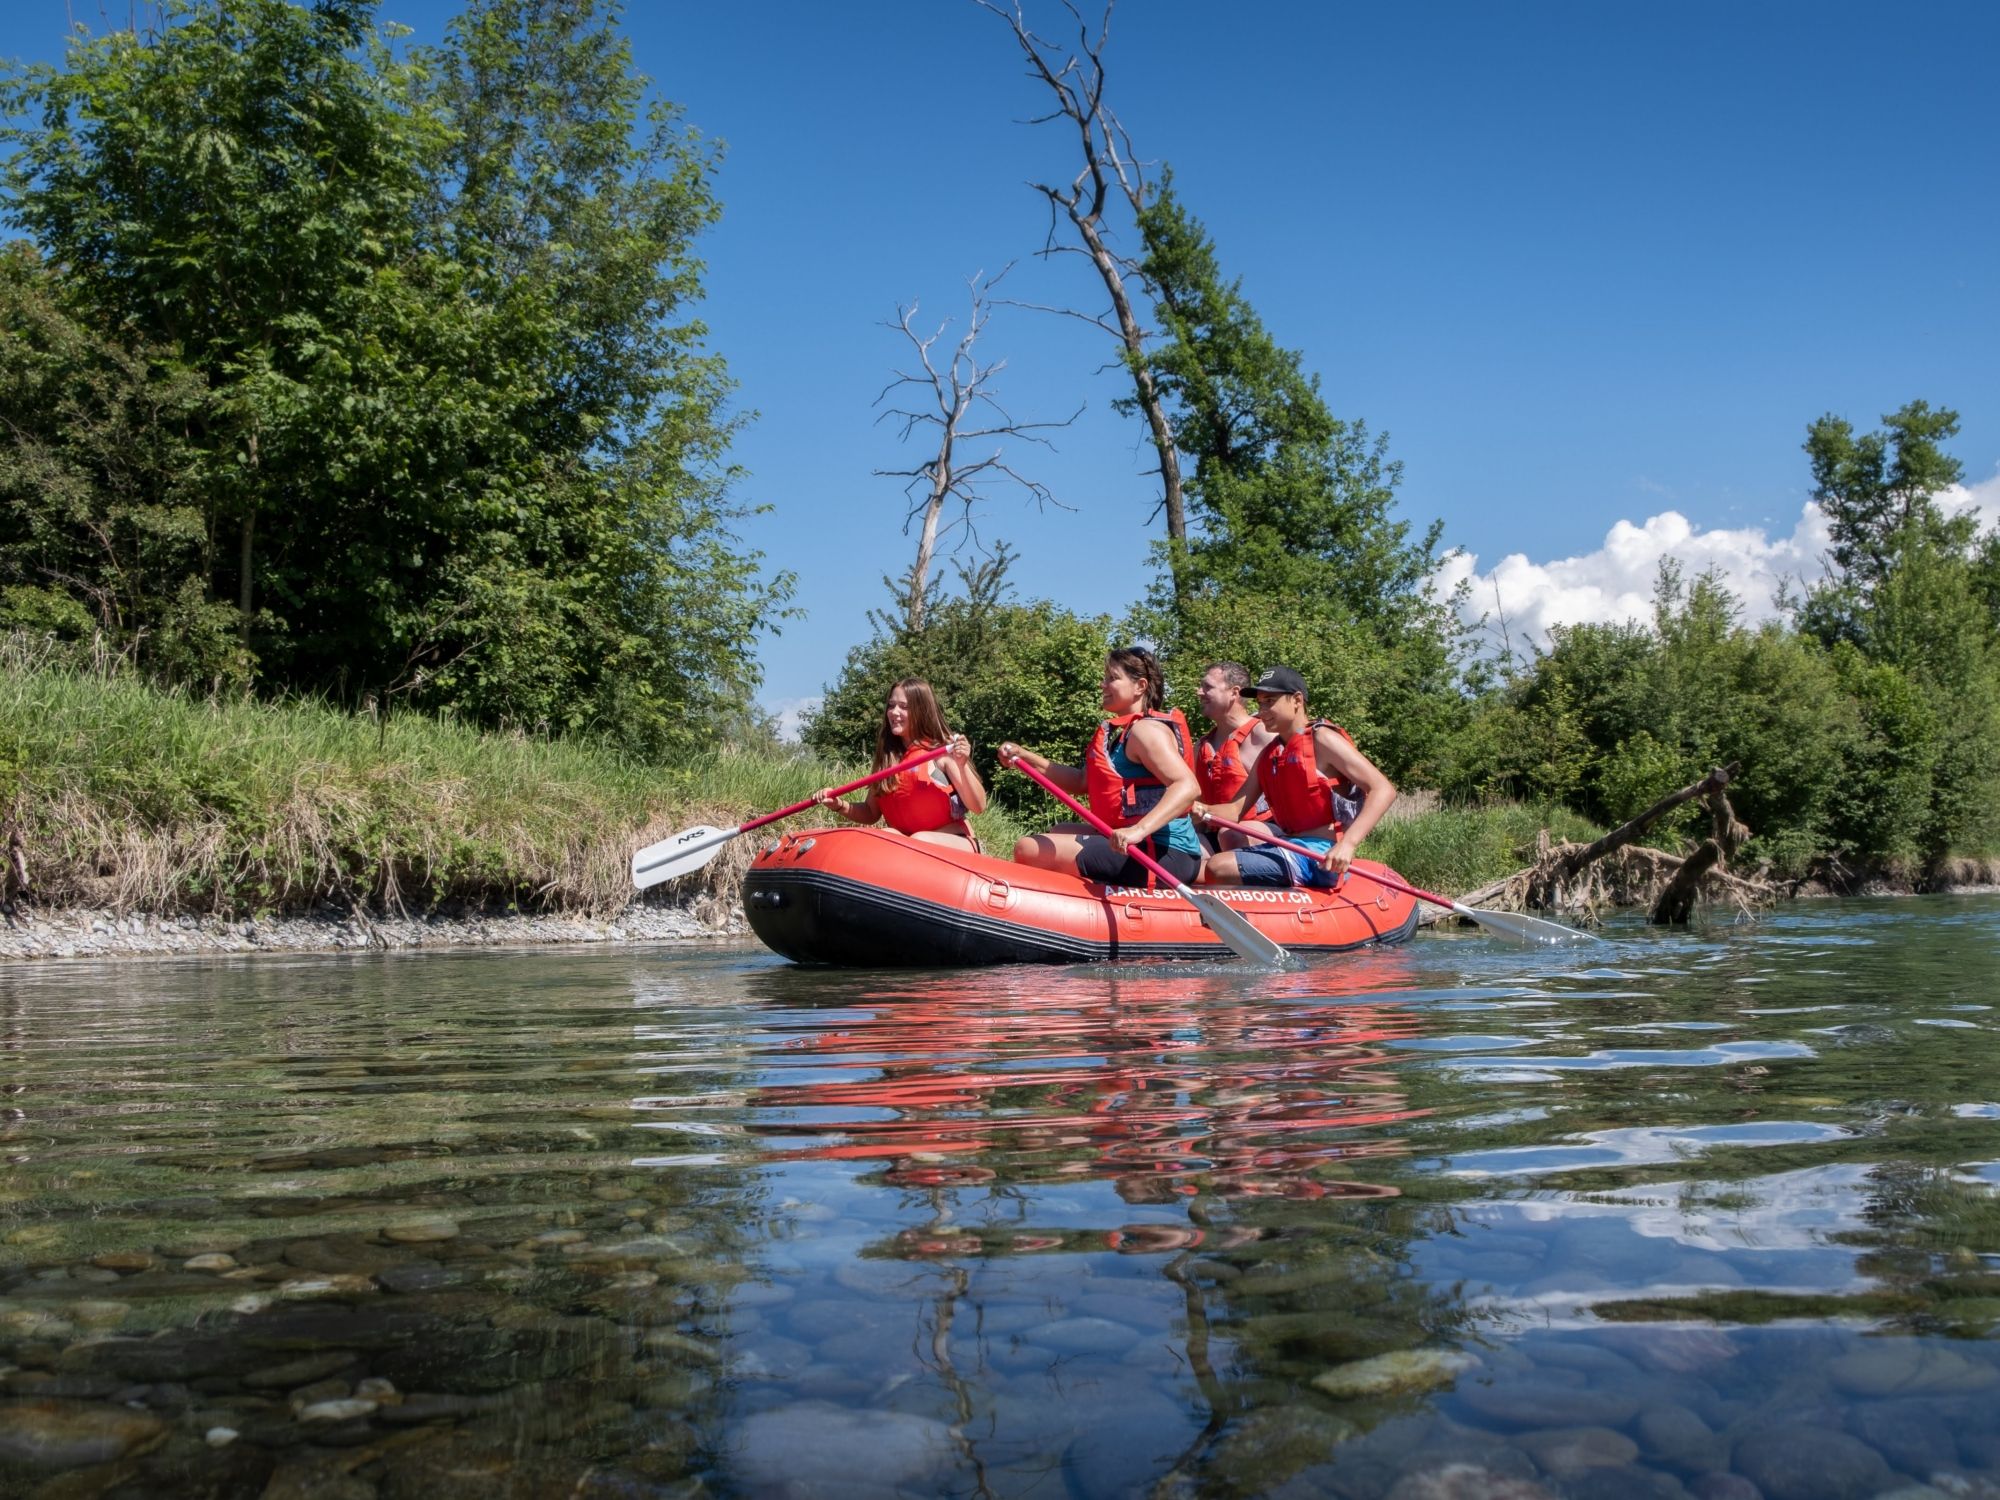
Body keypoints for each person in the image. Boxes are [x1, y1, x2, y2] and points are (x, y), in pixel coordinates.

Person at [998, 647, 1203, 887]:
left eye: (1112, 678)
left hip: (1164, 853)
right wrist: (1024, 757)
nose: (1103, 685)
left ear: (1140, 686)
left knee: (1029, 848)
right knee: (1060, 828)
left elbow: (1187, 786)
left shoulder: (1146, 731)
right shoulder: (1122, 734)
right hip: (1136, 841)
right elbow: (1082, 782)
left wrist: (1138, 830)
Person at [1195, 665, 1397, 887]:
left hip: (1320, 854)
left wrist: (1348, 844)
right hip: (1289, 845)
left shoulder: (1321, 739)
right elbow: (1234, 810)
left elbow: (1383, 789)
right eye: (1260, 703)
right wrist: (1194, 809)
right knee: (1209, 866)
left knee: (1218, 867)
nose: (1261, 711)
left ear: (1297, 700)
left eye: (1270, 701)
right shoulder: (1269, 754)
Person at [814, 679, 986, 851]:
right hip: (907, 846)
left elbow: (978, 807)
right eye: (891, 705)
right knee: (888, 834)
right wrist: (839, 805)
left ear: (921, 711)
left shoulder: (943, 753)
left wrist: (962, 765)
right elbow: (871, 812)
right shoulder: (887, 759)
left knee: (920, 839)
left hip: (956, 841)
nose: (894, 712)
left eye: (904, 707)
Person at [1192, 660, 1275, 852]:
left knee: (1231, 835)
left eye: (1207, 687)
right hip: (1217, 832)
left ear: (1234, 692)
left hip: (1262, 830)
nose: (1199, 692)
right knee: (1185, 848)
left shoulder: (1263, 735)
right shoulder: (1202, 746)